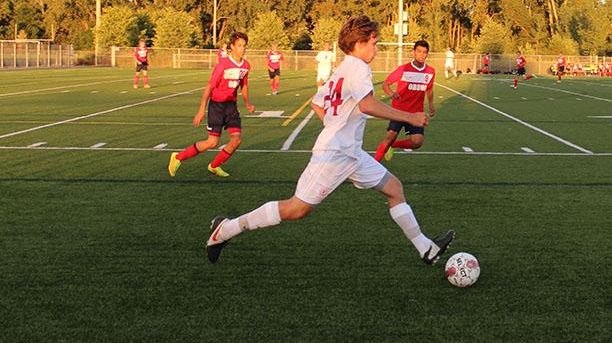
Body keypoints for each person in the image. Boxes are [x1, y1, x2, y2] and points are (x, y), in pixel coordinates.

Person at [204, 15, 454, 266]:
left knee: (394, 189)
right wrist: (410, 116)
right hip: (334, 154)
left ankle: (426, 248)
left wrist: (334, 124)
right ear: (359, 44)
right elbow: (367, 104)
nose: (376, 50)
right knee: (296, 209)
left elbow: (317, 102)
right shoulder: (357, 67)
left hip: (351, 153)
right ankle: (225, 230)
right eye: (374, 43)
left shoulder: (343, 68)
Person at [168, 31, 255, 178]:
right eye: (239, 45)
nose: (242, 49)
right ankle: (178, 157)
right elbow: (209, 88)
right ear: (232, 46)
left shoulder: (246, 66)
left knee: (236, 140)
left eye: (244, 46)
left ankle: (214, 166)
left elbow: (244, 86)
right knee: (212, 142)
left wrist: (248, 103)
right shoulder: (222, 65)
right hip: (216, 106)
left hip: (231, 107)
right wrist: (201, 110)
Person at [374, 40, 436, 162]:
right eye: (419, 51)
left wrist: (431, 104)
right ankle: (373, 165)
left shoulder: (430, 71)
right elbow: (386, 84)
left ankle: (394, 146)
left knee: (417, 142)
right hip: (399, 111)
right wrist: (392, 94)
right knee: (390, 137)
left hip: (416, 113)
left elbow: (429, 89)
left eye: (424, 52)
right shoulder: (404, 69)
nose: (421, 55)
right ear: (414, 52)